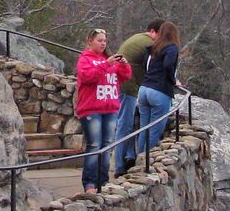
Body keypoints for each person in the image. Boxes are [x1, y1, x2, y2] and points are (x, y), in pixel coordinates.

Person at [75, 28, 132, 193]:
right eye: (99, 40)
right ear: (90, 41)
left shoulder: (109, 61)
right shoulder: (85, 59)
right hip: (91, 109)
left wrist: (124, 64)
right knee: (94, 145)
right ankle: (90, 183)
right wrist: (106, 64)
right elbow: (87, 77)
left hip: (110, 108)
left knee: (107, 145)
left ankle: (103, 181)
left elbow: (125, 76)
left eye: (105, 41)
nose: (103, 43)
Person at [114, 19, 164, 176]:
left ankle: (129, 155)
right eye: (161, 34)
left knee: (128, 122)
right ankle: (119, 167)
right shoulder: (149, 44)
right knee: (125, 125)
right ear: (154, 32)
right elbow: (153, 68)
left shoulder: (138, 38)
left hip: (121, 83)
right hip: (128, 86)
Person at [137, 21, 181, 155]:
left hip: (144, 89)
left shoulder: (153, 47)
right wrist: (173, 80)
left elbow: (146, 66)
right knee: (155, 129)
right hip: (159, 91)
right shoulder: (172, 48)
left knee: (144, 128)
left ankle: (140, 157)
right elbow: (168, 65)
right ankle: (146, 163)